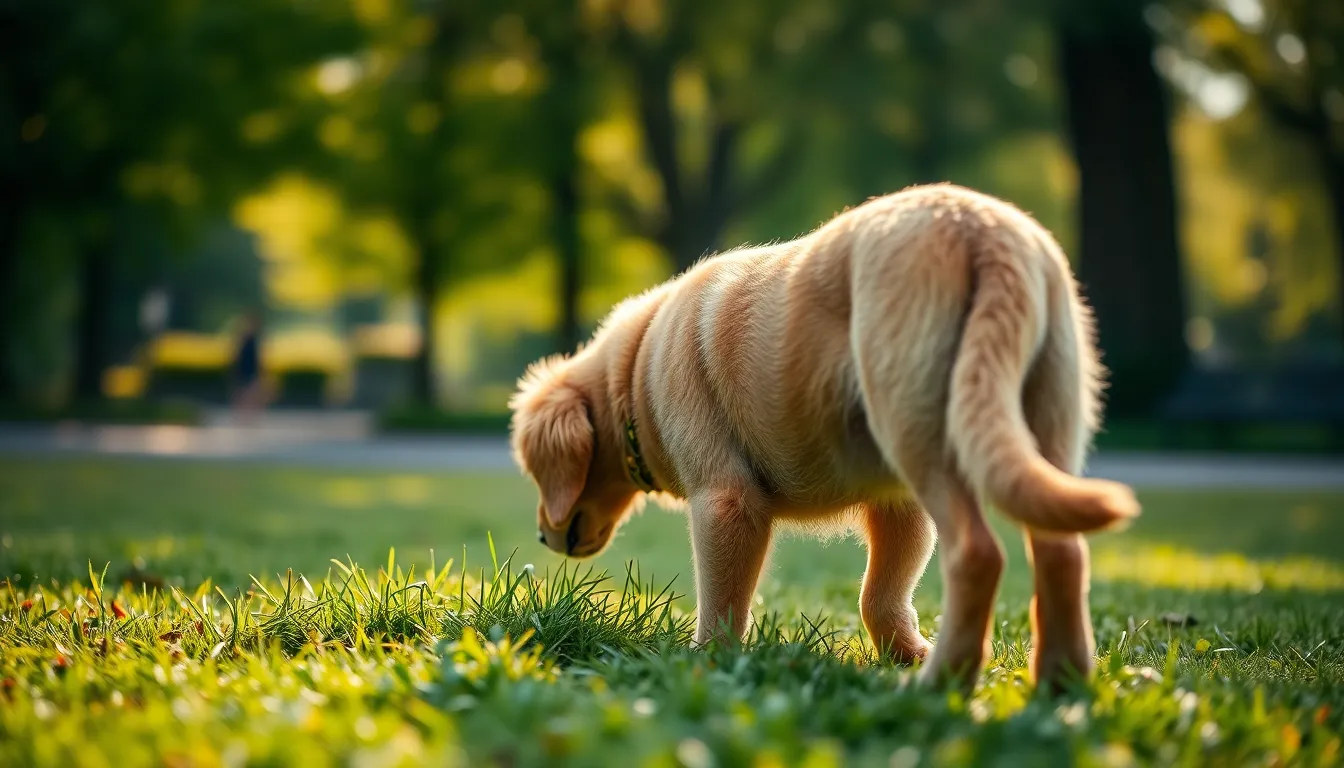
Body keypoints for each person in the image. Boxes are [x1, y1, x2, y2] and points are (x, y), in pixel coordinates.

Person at [230, 309, 269, 420]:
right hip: (243, 367)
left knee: (252, 391)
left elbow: (259, 355)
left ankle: (251, 414)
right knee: (242, 391)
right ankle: (241, 414)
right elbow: (236, 354)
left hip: (252, 368)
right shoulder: (243, 337)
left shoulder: (255, 338)